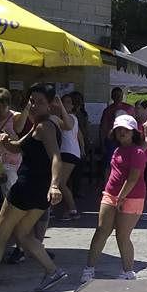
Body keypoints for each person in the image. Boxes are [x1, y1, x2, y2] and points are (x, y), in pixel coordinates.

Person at [0, 83, 67, 292]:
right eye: (32, 101)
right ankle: (53, 271)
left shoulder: (44, 126)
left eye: (40, 102)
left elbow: (56, 157)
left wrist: (55, 185)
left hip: (27, 188)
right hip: (39, 193)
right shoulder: (41, 124)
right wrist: (5, 141)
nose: (35, 105)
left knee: (1, 232)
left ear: (50, 104)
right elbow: (18, 147)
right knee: (23, 234)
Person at [81, 115, 145, 282]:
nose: (122, 132)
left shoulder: (138, 152)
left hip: (132, 197)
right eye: (118, 129)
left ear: (133, 132)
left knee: (122, 236)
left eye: (126, 130)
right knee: (101, 230)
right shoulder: (117, 150)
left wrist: (121, 197)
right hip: (110, 195)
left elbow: (133, 178)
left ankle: (128, 272)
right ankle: (89, 269)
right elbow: (112, 172)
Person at [53, 92, 82, 220]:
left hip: (68, 152)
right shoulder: (66, 117)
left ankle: (73, 210)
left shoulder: (71, 117)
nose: (65, 104)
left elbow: (68, 126)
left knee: (60, 183)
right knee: (60, 182)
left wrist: (59, 106)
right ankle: (53, 209)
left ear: (72, 106)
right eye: (63, 101)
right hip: (68, 152)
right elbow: (79, 134)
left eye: (68, 102)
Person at [99, 87, 133, 171]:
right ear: (112, 97)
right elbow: (103, 128)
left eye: (119, 95)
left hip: (126, 140)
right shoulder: (108, 110)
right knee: (110, 161)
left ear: (122, 96)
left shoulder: (130, 108)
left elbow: (134, 125)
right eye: (115, 95)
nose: (117, 97)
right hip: (112, 140)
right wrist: (102, 144)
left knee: (126, 161)